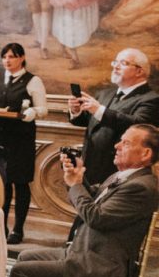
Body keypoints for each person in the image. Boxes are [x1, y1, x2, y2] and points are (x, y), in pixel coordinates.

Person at [7, 124, 159, 277]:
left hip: (101, 267)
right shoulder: (124, 176)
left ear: (146, 154)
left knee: (22, 272)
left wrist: (75, 184)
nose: (117, 146)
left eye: (126, 143)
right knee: (26, 258)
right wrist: (78, 177)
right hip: (83, 253)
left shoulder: (142, 187)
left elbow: (96, 217)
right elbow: (95, 197)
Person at [0, 43, 48, 244]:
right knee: (1, 183)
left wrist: (34, 112)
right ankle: (0, 227)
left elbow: (43, 109)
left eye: (12, 57)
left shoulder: (33, 80)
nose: (7, 60)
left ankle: (18, 229)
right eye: (4, 57)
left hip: (20, 139)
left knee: (20, 182)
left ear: (21, 58)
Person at [68, 48, 159, 186]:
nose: (115, 67)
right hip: (89, 167)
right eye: (115, 62)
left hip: (119, 171)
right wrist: (76, 111)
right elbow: (91, 122)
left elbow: (138, 125)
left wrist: (99, 110)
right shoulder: (105, 94)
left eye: (123, 63)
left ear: (139, 71)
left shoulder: (152, 99)